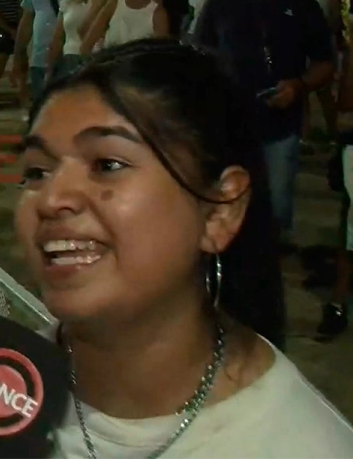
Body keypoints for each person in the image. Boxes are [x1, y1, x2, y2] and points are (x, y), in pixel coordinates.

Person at [17, 40, 351, 456]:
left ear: (220, 212)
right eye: (37, 171)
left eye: (107, 165)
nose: (51, 199)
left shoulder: (299, 446)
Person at [194, 0, 335, 251]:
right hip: (226, 123)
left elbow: (325, 64)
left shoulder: (304, 8)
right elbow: (200, 51)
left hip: (279, 125)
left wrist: (299, 86)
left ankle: (269, 264)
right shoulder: (223, 0)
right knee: (223, 202)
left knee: (275, 206)